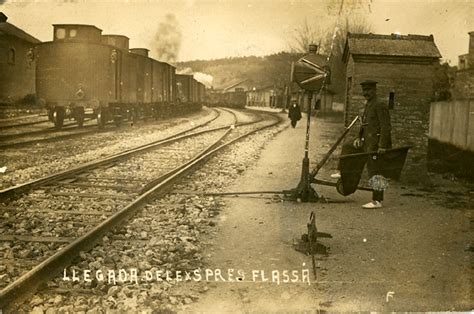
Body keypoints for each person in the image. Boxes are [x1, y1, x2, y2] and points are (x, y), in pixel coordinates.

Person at [332, 80, 392, 208]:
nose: (366, 93)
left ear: (374, 91)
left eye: (369, 90)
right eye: (364, 91)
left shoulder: (379, 105)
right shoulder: (368, 105)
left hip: (375, 145)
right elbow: (364, 125)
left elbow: (386, 127)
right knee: (348, 147)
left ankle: (377, 201)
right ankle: (342, 171)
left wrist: (382, 146)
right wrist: (358, 137)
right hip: (366, 142)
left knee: (376, 172)